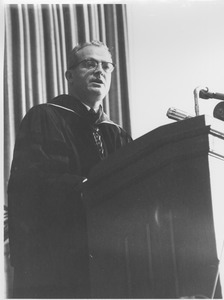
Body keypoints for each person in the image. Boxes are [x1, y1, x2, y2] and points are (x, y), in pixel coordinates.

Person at [7, 40, 132, 298]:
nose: (100, 71)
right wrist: (93, 189)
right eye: (90, 64)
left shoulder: (117, 134)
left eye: (106, 66)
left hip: (108, 263)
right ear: (69, 75)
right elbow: (32, 184)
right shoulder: (44, 117)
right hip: (56, 262)